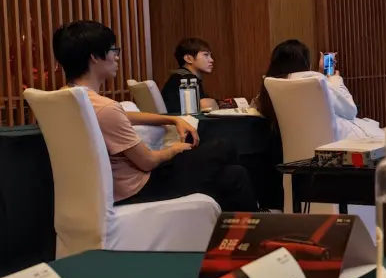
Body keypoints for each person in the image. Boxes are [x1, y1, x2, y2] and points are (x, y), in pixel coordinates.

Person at [51, 21, 258, 212]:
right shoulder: (105, 108)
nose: (117, 57)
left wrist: (171, 119)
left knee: (234, 175)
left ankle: (239, 230)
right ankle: (255, 228)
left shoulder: (68, 98)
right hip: (140, 187)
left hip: (113, 189)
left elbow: (124, 115)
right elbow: (148, 161)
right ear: (95, 57)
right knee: (224, 146)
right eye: (113, 50)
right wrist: (174, 149)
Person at [256, 39, 383, 140]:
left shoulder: (271, 85)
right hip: (337, 143)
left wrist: (321, 75)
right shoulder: (316, 80)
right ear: (306, 63)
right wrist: (335, 80)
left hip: (299, 148)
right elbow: (350, 110)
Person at [160, 37, 219, 114]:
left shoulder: (179, 76)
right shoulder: (187, 80)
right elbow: (205, 105)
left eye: (210, 56)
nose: (211, 60)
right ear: (188, 58)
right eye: (206, 55)